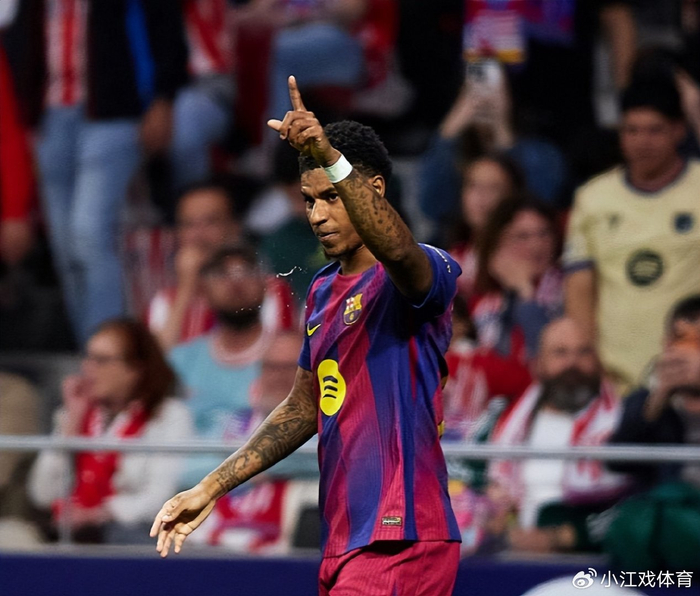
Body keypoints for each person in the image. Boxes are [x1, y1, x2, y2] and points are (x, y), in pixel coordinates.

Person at [151, 77, 462, 595]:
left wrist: (329, 154)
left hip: (401, 533)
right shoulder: (321, 291)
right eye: (309, 200)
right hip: (344, 538)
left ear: (373, 189)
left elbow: (399, 251)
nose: (317, 215)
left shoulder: (424, 268)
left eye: (331, 197)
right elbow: (303, 405)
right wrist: (211, 486)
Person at [2, 0, 189, 346]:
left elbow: (164, 28)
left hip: (113, 113)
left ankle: (109, 349)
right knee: (65, 248)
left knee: (89, 234)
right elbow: (21, 40)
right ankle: (93, 352)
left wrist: (162, 98)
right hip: (50, 116)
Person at [564, 78, 700, 393]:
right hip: (615, 382)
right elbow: (580, 289)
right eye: (632, 130)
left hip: (692, 378)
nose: (642, 141)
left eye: (655, 130)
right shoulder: (592, 198)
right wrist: (590, 365)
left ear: (679, 131)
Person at [28, 319, 193, 544]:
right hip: (67, 532)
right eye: (87, 358)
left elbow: (160, 497)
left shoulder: (170, 416)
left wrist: (98, 514)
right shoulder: (73, 413)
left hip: (132, 534)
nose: (88, 369)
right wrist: (72, 425)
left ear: (135, 369)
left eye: (102, 360)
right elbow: (42, 493)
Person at [488, 318, 628, 554]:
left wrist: (562, 537)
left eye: (583, 352)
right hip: (511, 553)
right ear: (538, 364)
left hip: (587, 559)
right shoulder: (506, 420)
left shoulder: (624, 424)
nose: (572, 363)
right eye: (560, 353)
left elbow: (633, 504)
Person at [169, 244, 278, 489]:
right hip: (191, 489)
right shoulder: (183, 359)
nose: (235, 283)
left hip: (267, 490)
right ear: (203, 290)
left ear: (265, 284)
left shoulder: (289, 356)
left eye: (246, 272)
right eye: (222, 274)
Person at [146, 182, 296, 351]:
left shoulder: (269, 290)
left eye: (211, 222)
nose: (198, 235)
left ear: (234, 227)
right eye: (188, 224)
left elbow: (281, 356)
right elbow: (156, 363)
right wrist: (186, 289)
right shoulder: (165, 301)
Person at [609, 295, 700, 489]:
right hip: (665, 504)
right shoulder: (643, 402)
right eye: (681, 339)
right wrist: (658, 400)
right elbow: (617, 462)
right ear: (666, 345)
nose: (689, 351)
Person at [471, 196, 563, 364]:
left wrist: (524, 293)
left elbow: (548, 358)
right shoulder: (485, 303)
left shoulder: (568, 290)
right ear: (497, 245)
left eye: (544, 233)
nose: (536, 245)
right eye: (522, 236)